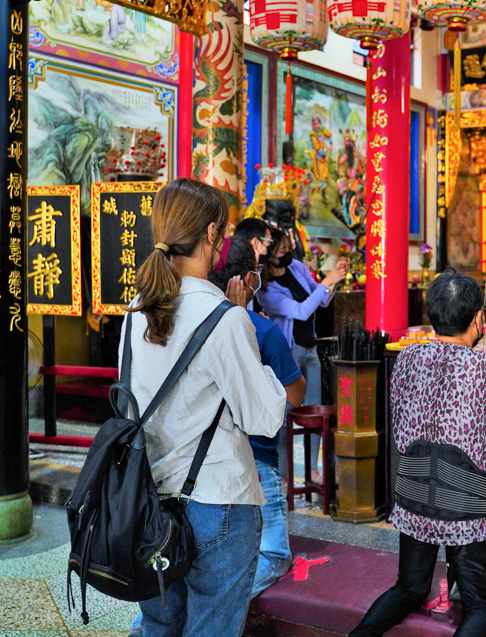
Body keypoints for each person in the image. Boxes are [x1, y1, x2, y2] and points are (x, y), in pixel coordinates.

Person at [122, 178, 286, 637]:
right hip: (218, 502)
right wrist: (249, 340)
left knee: (160, 626)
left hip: (149, 502)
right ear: (213, 234)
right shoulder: (226, 318)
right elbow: (264, 418)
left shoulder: (135, 310)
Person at [349, 270, 486, 637]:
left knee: (409, 589)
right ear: (479, 318)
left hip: (414, 491)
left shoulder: (407, 358)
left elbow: (401, 419)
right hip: (462, 502)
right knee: (482, 607)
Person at [208, 238, 307, 598]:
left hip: (199, 459)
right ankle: (216, 603)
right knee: (274, 555)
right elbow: (295, 394)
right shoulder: (261, 330)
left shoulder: (190, 318)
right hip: (256, 456)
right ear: (248, 279)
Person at [256, 230, 348, 484]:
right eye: (281, 247)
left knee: (316, 412)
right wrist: (325, 281)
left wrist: (334, 279)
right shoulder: (266, 289)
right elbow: (301, 311)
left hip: (311, 347)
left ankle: (312, 470)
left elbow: (322, 301)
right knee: (285, 415)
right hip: (288, 352)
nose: (287, 250)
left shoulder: (296, 267)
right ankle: (283, 475)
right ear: (269, 251)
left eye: (288, 246)